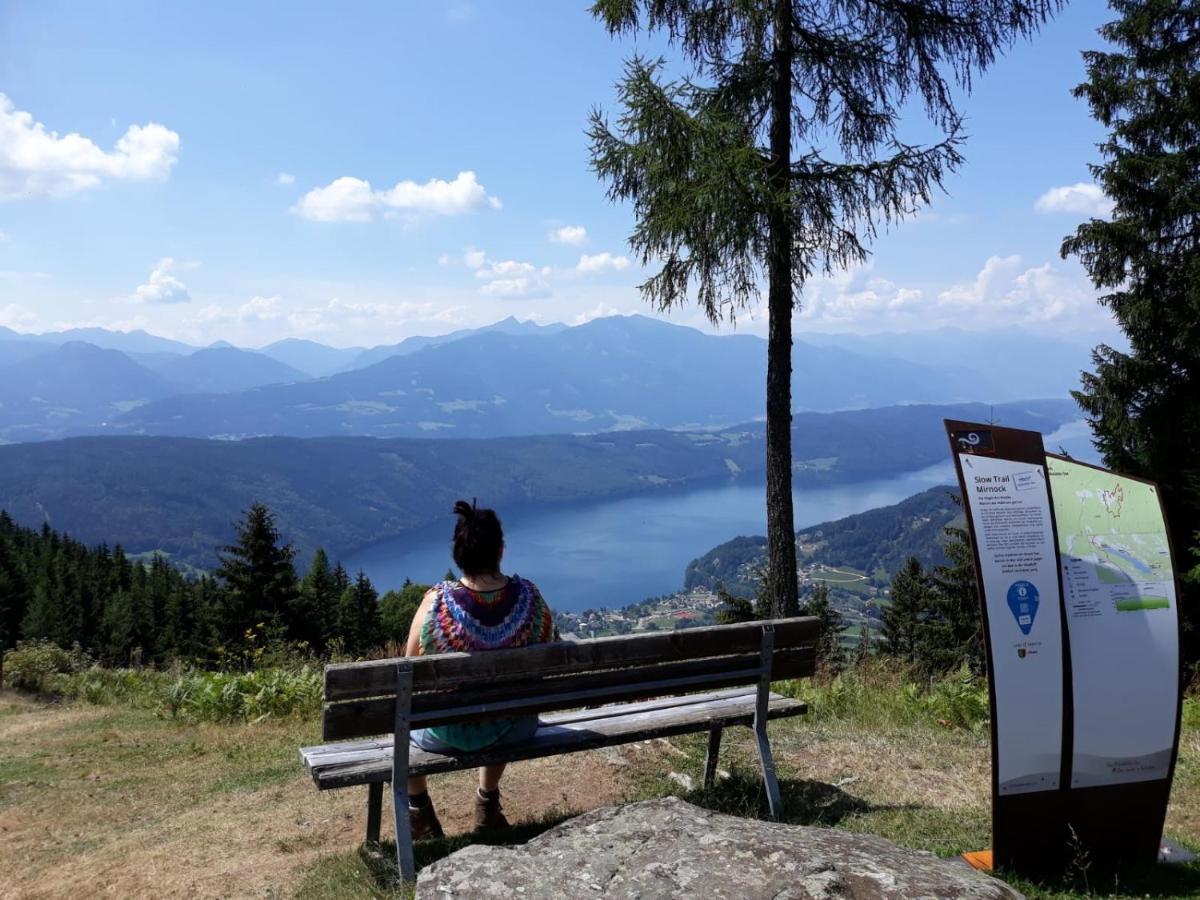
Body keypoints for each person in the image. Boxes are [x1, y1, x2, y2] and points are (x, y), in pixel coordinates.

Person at [402, 499, 556, 839]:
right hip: (514, 727)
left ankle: (420, 814)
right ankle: (487, 804)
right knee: (504, 708)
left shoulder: (436, 602)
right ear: (500, 550)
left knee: (401, 722)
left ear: (458, 554)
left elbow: (407, 667)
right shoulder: (530, 598)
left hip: (444, 735)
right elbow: (549, 649)